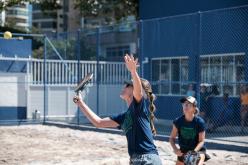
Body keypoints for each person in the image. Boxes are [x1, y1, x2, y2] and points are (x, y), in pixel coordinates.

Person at [73, 54, 162, 165]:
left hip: (148, 160)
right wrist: (81, 103)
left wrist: (133, 71)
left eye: (127, 85)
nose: (123, 86)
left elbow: (138, 92)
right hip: (138, 160)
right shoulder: (124, 117)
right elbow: (98, 122)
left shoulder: (138, 108)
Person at [169, 96, 210, 165]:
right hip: (183, 151)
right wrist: (176, 149)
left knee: (196, 160)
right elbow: (171, 138)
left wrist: (193, 152)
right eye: (184, 104)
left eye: (189, 104)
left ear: (194, 108)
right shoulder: (178, 121)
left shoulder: (199, 122)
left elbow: (201, 141)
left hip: (197, 150)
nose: (185, 106)